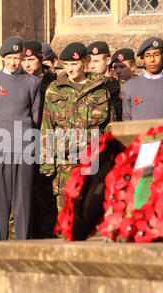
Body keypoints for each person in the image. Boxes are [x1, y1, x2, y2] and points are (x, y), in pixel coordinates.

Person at [40, 42, 116, 213]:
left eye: (74, 64)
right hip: (65, 160)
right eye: (66, 65)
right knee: (66, 211)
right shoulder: (55, 89)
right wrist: (46, 162)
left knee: (92, 208)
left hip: (92, 157)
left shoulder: (100, 88)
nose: (70, 69)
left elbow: (110, 124)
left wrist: (111, 159)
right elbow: (47, 126)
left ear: (85, 62)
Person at [0, 36, 41, 241]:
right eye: (9, 57)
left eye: (17, 58)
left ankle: (22, 251)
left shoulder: (32, 82)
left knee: (23, 203)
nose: (13, 62)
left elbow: (35, 115)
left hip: (24, 148)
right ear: (2, 58)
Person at [21, 40, 58, 239]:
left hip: (48, 145)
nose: (27, 64)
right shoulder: (16, 81)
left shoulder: (55, 83)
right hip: (24, 143)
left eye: (31, 59)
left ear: (41, 59)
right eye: (24, 60)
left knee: (47, 195)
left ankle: (48, 239)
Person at [122, 37, 163, 121]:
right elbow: (127, 120)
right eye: (147, 56)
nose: (152, 60)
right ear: (142, 59)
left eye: (156, 55)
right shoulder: (129, 86)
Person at [87, 41, 122, 121]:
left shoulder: (121, 85)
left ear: (108, 61)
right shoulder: (85, 86)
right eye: (89, 61)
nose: (91, 66)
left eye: (96, 61)